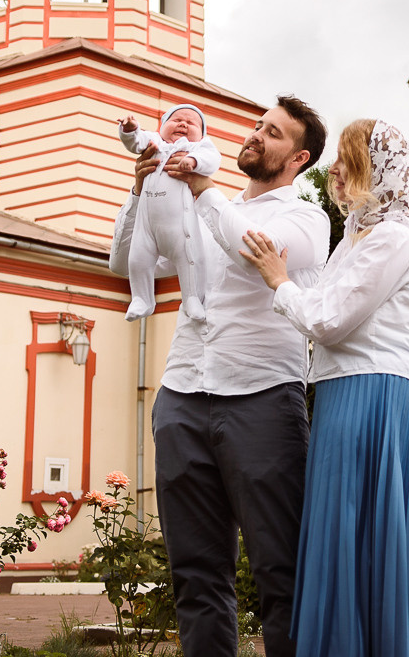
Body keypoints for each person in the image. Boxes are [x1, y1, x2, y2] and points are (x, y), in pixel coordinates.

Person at [111, 95, 329, 657]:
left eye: (274, 133)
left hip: (263, 399)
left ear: (299, 158)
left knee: (281, 566)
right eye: (258, 125)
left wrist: (202, 189)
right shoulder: (206, 205)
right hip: (182, 395)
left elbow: (251, 254)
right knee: (195, 571)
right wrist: (140, 191)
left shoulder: (306, 218)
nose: (256, 135)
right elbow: (122, 263)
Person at [233, 119, 409, 657]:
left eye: (350, 159)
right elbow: (323, 310)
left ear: (376, 169)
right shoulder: (357, 236)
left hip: (370, 395)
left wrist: (279, 280)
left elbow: (327, 320)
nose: (338, 170)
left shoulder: (395, 237)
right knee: (345, 533)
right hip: (343, 392)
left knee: (359, 530)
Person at [117, 104, 222, 321]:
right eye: (176, 120)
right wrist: (130, 130)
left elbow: (212, 158)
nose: (183, 124)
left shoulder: (197, 148)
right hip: (146, 223)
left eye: (191, 123)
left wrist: (193, 161)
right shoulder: (154, 142)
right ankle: (141, 298)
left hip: (179, 225)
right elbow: (136, 142)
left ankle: (192, 297)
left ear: (202, 135)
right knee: (137, 259)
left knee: (189, 258)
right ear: (162, 126)